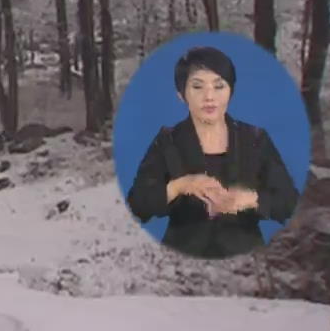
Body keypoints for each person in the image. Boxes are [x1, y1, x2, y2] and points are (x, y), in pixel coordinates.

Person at [126, 45, 299, 259]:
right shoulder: (167, 141)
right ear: (181, 94)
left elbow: (289, 202)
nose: (209, 97)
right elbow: (137, 205)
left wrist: (249, 199)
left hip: (247, 260)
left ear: (231, 91)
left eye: (219, 86)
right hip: (182, 260)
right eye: (197, 87)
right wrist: (181, 185)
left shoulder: (255, 139)